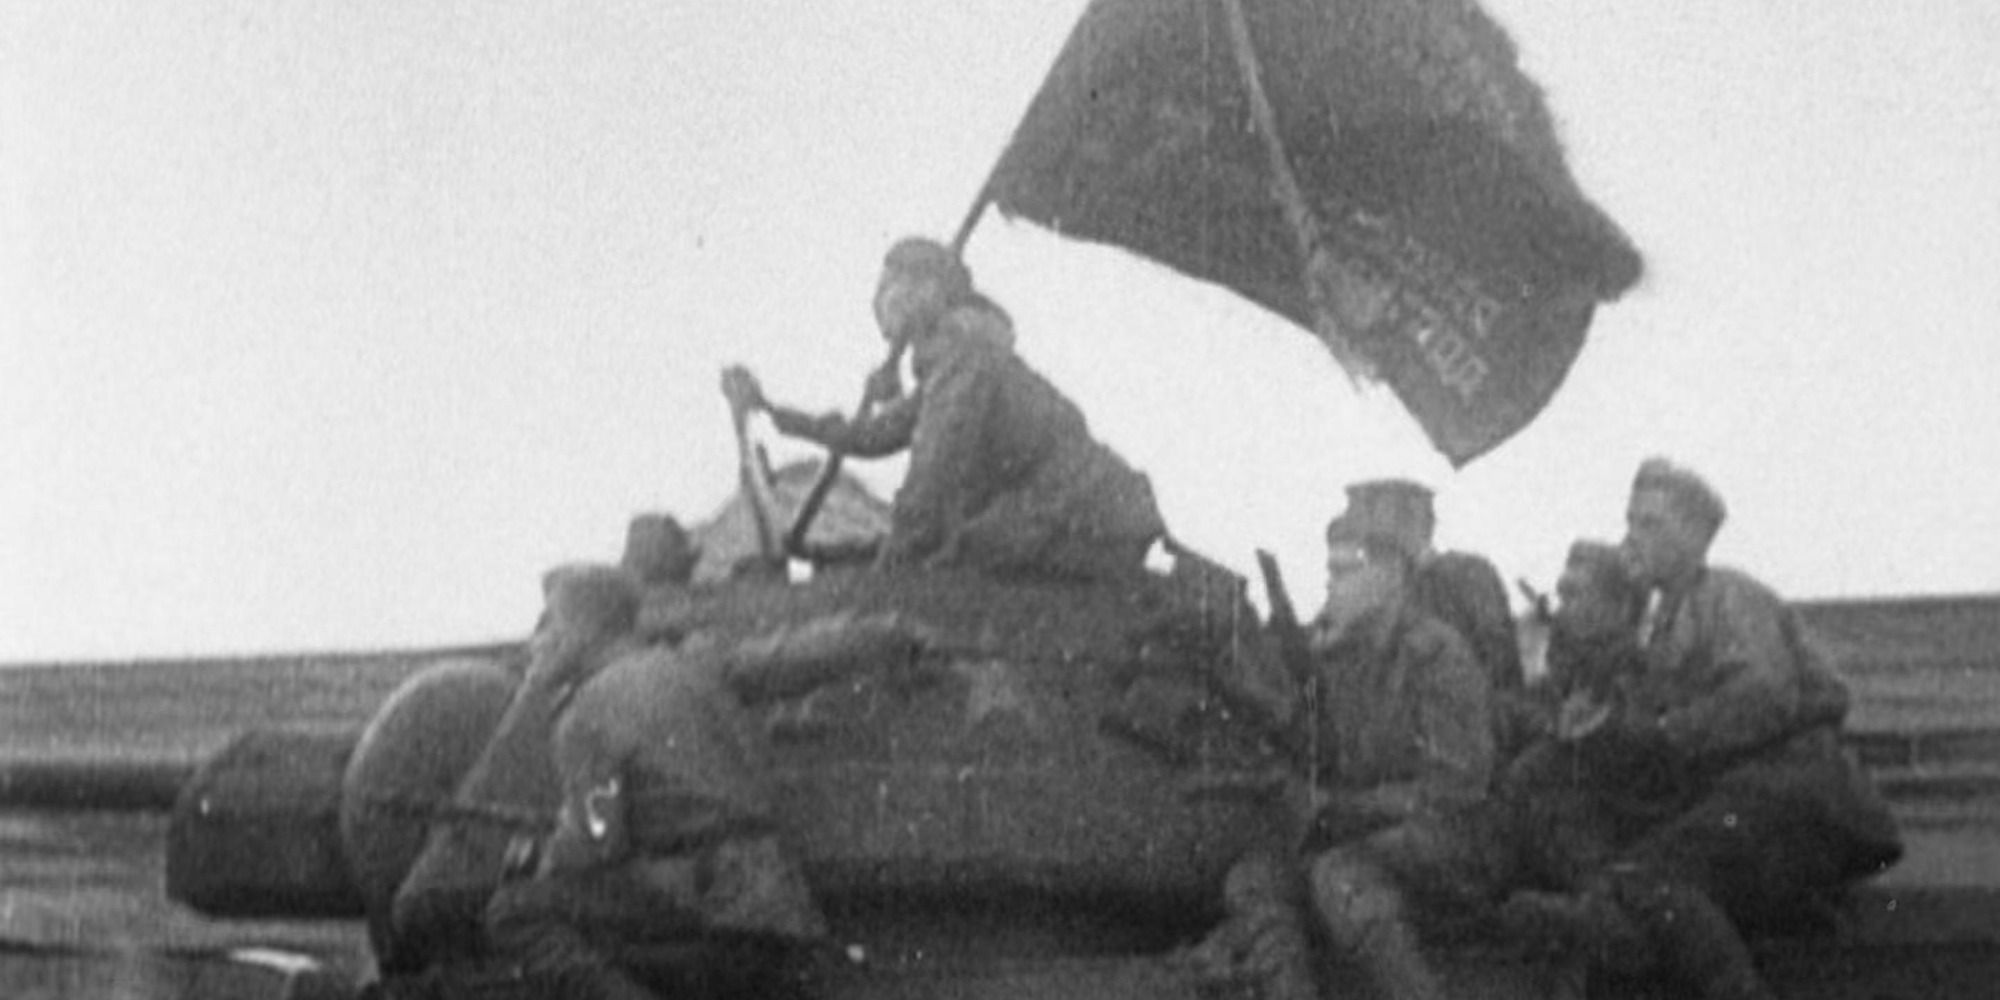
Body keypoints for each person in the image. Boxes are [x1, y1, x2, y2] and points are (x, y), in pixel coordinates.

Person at [1500, 458, 1903, 1000]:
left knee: (1648, 878)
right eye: (1630, 522)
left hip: (1796, 792)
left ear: (1694, 534)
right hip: (1750, 797)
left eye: (1650, 524)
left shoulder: (1729, 596)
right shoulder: (1666, 622)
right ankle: (1607, 924)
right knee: (1646, 889)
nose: (1630, 540)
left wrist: (1664, 732)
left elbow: (1764, 694)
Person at [479, 568, 940, 1000]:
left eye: (546, 625)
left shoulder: (585, 714)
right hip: (780, 908)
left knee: (515, 911)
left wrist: (543, 852)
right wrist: (889, 635)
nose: (536, 642)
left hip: (703, 910)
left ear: (577, 631)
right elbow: (793, 653)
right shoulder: (698, 665)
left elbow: (598, 843)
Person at [1185, 508, 1495, 1000]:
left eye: (1344, 571)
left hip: (1449, 849)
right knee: (1255, 879)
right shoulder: (1343, 660)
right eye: (1330, 571)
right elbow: (1328, 755)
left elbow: (1455, 792)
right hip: (1374, 840)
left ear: (1392, 576)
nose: (1331, 586)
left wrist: (1341, 809)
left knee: (1339, 878)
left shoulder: (1437, 657)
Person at [724, 237, 1166, 581]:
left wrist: (889, 567)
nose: (880, 301)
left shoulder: (963, 351)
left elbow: (933, 471)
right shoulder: (949, 360)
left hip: (1083, 511)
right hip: (1075, 510)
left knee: (953, 558)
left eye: (889, 286)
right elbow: (876, 435)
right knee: (949, 552)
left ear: (928, 291)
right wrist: (773, 410)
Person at [1330, 480, 1525, 751]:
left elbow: (1496, 672)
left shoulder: (1466, 576)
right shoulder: (1374, 593)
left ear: (1403, 513)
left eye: (1361, 507)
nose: (1350, 520)